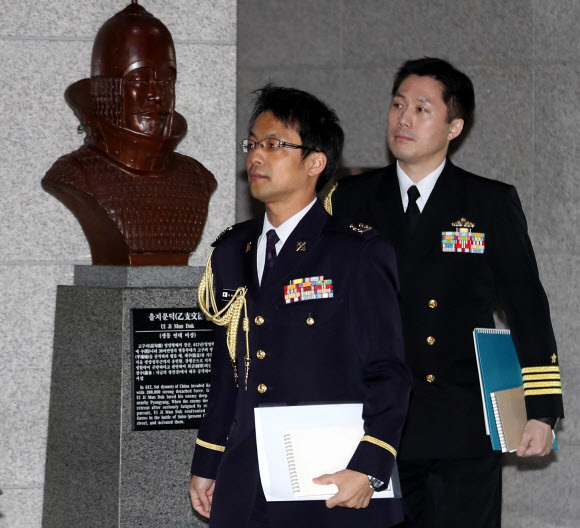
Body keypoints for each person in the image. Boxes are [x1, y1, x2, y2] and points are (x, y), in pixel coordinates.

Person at [325, 57, 564, 528]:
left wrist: (540, 411)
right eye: (397, 105)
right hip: (373, 423)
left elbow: (528, 308)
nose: (404, 118)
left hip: (460, 425)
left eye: (421, 108)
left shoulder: (488, 203)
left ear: (454, 126)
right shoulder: (350, 199)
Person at [189, 84, 412, 527]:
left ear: (315, 162)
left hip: (329, 478)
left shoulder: (355, 252)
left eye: (274, 145)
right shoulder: (232, 248)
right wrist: (208, 459)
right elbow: (226, 369)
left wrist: (369, 465)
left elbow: (388, 370)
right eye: (252, 143)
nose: (256, 156)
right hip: (245, 478)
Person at [42, 2, 216, 265]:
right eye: (138, 80)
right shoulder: (75, 174)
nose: (156, 95)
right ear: (107, 91)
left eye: (166, 81)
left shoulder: (197, 178)